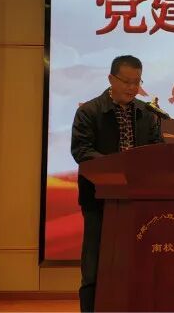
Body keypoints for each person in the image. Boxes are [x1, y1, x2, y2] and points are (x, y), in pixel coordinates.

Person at [70, 55, 164, 312]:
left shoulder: (146, 113)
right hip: (98, 200)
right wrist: (120, 167)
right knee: (95, 264)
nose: (133, 88)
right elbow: (81, 151)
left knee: (137, 263)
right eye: (127, 81)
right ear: (111, 79)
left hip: (138, 200)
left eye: (137, 82)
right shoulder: (89, 111)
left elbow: (157, 149)